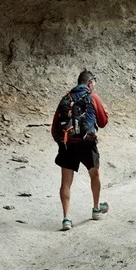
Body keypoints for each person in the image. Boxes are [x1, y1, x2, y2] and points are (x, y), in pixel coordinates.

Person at [51, 69, 110, 231]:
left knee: (66, 182)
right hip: (87, 143)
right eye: (93, 84)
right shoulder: (93, 97)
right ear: (89, 83)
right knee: (94, 174)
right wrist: (105, 112)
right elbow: (103, 122)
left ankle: (66, 218)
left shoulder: (66, 98)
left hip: (68, 143)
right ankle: (96, 209)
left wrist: (61, 143)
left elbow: (54, 126)